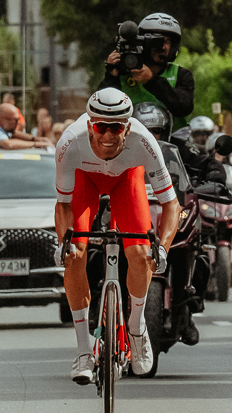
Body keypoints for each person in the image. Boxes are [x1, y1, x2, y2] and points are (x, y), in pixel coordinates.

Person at [54, 88, 174, 383]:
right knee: (75, 256)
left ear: (128, 127)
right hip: (85, 180)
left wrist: (163, 249)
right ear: (89, 125)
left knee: (140, 254)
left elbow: (171, 204)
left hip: (126, 179)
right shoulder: (70, 142)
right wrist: (64, 242)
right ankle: (84, 351)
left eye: (116, 128)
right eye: (101, 127)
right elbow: (64, 204)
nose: (108, 135)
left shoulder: (144, 142)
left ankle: (136, 327)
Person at [100, 12, 195, 129]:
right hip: (129, 139)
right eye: (157, 41)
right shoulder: (123, 73)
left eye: (167, 42)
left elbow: (184, 107)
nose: (162, 47)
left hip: (173, 143)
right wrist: (111, 75)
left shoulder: (181, 75)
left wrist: (151, 81)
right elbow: (103, 110)